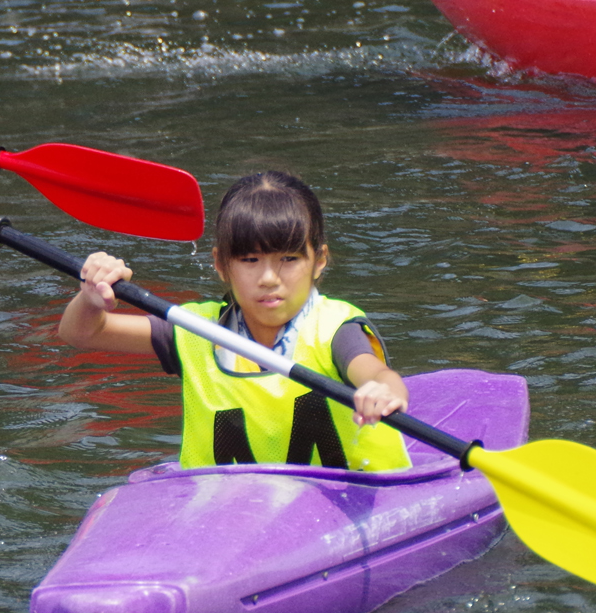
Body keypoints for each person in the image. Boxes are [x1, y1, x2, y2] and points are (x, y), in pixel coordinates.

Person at [58, 171, 412, 472]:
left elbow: (374, 371)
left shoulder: (337, 329)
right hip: (231, 519)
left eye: (289, 258)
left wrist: (383, 391)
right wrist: (90, 298)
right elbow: (82, 333)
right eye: (249, 259)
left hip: (348, 504)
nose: (269, 278)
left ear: (319, 260)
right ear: (221, 264)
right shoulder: (195, 329)